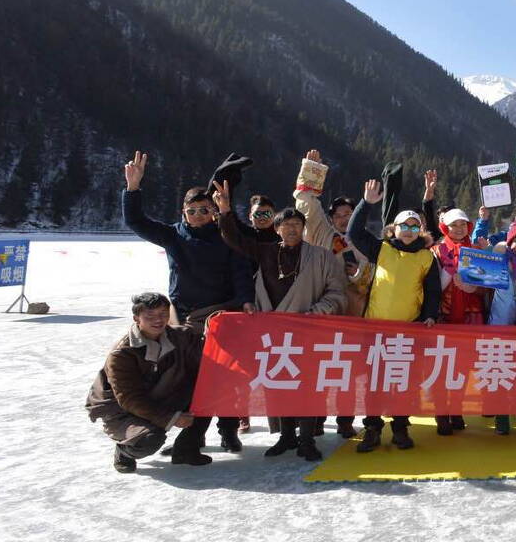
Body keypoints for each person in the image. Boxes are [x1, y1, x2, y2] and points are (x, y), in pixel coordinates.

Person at [120, 150, 253, 451]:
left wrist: (245, 300)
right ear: (183, 213)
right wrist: (133, 188)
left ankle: (228, 429)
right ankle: (192, 435)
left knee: (225, 377)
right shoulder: (173, 236)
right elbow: (136, 222)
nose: (197, 216)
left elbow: (241, 269)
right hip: (180, 318)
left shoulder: (225, 236)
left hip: (220, 316)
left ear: (213, 212)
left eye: (204, 211)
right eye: (192, 211)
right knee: (185, 378)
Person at [215, 183, 347, 460]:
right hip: (273, 333)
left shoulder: (322, 256)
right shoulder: (265, 252)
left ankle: (307, 439)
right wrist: (225, 211)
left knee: (309, 386)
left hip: (308, 331)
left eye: (296, 224)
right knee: (278, 384)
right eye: (285, 225)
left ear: (304, 227)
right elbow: (234, 239)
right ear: (276, 230)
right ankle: (287, 436)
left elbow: (337, 293)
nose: (291, 229)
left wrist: (318, 311)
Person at [347, 181, 442, 452]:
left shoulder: (426, 257)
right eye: (405, 226)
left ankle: (400, 427)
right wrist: (366, 203)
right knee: (375, 383)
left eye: (415, 227)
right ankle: (373, 429)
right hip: (375, 329)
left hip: (408, 330)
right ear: (394, 229)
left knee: (403, 383)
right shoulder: (382, 249)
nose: (410, 231)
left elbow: (432, 290)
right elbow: (354, 232)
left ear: (420, 230)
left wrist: (430, 315)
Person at [86, 292, 214, 472]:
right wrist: (171, 418)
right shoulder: (122, 354)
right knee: (150, 440)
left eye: (163, 314)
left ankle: (186, 448)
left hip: (161, 395)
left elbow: (208, 350)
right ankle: (124, 450)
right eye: (150, 316)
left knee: (209, 391)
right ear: (136, 318)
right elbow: (129, 399)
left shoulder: (179, 336)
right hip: (122, 411)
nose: (158, 320)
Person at [293, 150, 374, 318]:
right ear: (331, 219)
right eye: (338, 216)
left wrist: (360, 273)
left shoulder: (369, 242)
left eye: (348, 215)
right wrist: (310, 170)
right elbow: (308, 206)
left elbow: (382, 274)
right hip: (319, 305)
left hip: (354, 311)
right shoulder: (322, 232)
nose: (343, 220)